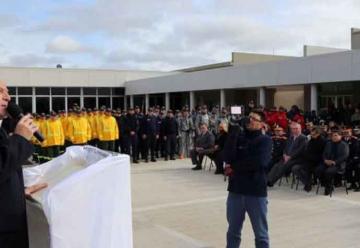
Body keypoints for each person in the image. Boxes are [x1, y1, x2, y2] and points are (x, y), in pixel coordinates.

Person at [0, 81, 47, 248]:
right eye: (0, 92)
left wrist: (19, 192)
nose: (8, 97)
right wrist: (19, 140)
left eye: (7, 91)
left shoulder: (1, 130)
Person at [223, 111, 272, 248]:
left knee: (261, 234)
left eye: (253, 118)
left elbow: (260, 162)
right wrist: (233, 133)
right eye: (248, 117)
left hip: (255, 192)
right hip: (236, 191)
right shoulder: (239, 137)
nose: (249, 120)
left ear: (262, 124)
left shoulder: (265, 140)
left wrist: (234, 167)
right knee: (233, 232)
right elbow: (227, 156)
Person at [267, 122, 307, 186]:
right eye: (293, 129)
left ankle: (271, 182)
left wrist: (290, 157)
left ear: (300, 129)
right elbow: (286, 147)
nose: (295, 130)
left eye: (296, 128)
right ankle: (268, 179)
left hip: (296, 159)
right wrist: (284, 154)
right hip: (286, 157)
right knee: (276, 166)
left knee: (282, 167)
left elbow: (300, 150)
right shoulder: (291, 137)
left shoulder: (303, 138)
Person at [315, 128, 349, 195]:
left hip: (338, 164)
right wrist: (325, 160)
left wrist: (334, 162)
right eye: (333, 136)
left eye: (336, 135)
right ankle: (325, 183)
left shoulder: (344, 145)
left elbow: (344, 156)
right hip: (327, 162)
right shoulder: (328, 144)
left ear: (340, 136)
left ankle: (328, 188)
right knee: (318, 170)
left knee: (328, 172)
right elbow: (324, 153)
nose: (334, 137)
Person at [292, 127, 326, 192]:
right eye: (311, 134)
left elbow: (322, 155)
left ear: (318, 134)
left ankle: (309, 183)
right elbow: (307, 150)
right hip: (308, 160)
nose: (311, 136)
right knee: (295, 168)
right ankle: (307, 182)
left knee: (308, 168)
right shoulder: (311, 140)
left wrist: (309, 157)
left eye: (313, 134)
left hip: (317, 162)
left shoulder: (323, 141)